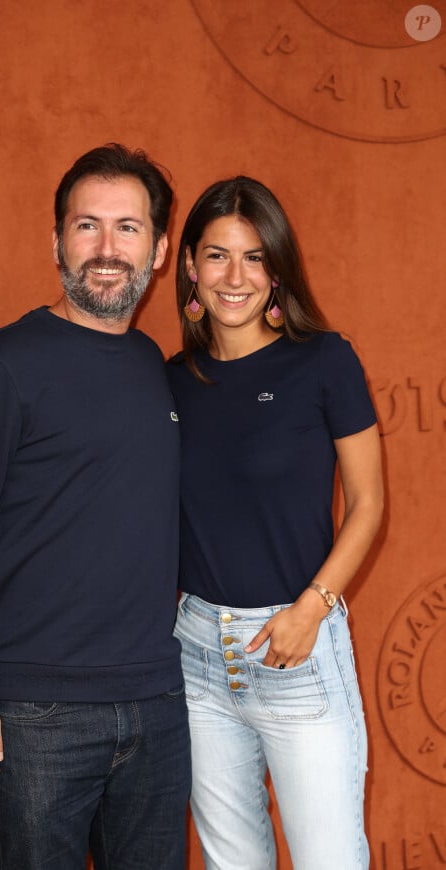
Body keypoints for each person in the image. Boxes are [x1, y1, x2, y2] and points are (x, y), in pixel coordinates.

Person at [0, 143, 191, 870]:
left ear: (160, 250)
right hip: (36, 715)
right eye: (86, 226)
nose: (106, 249)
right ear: (56, 241)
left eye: (128, 229)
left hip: (159, 702)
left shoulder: (152, 369)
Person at [167, 176, 383, 870]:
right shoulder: (171, 380)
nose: (236, 277)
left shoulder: (323, 361)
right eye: (218, 255)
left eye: (255, 257)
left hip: (297, 645)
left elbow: (369, 502)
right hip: (197, 655)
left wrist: (312, 608)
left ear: (278, 270)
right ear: (192, 268)